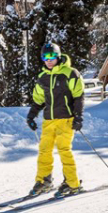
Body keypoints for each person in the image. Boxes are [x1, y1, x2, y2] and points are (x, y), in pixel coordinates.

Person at [24, 42, 86, 198]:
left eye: (52, 56)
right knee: (44, 151)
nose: (49, 60)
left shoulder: (70, 73)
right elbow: (38, 99)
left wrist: (78, 116)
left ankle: (72, 183)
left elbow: (79, 95)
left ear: (58, 57)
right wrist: (31, 115)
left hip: (66, 119)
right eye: (45, 57)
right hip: (49, 121)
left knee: (64, 150)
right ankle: (44, 181)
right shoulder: (42, 77)